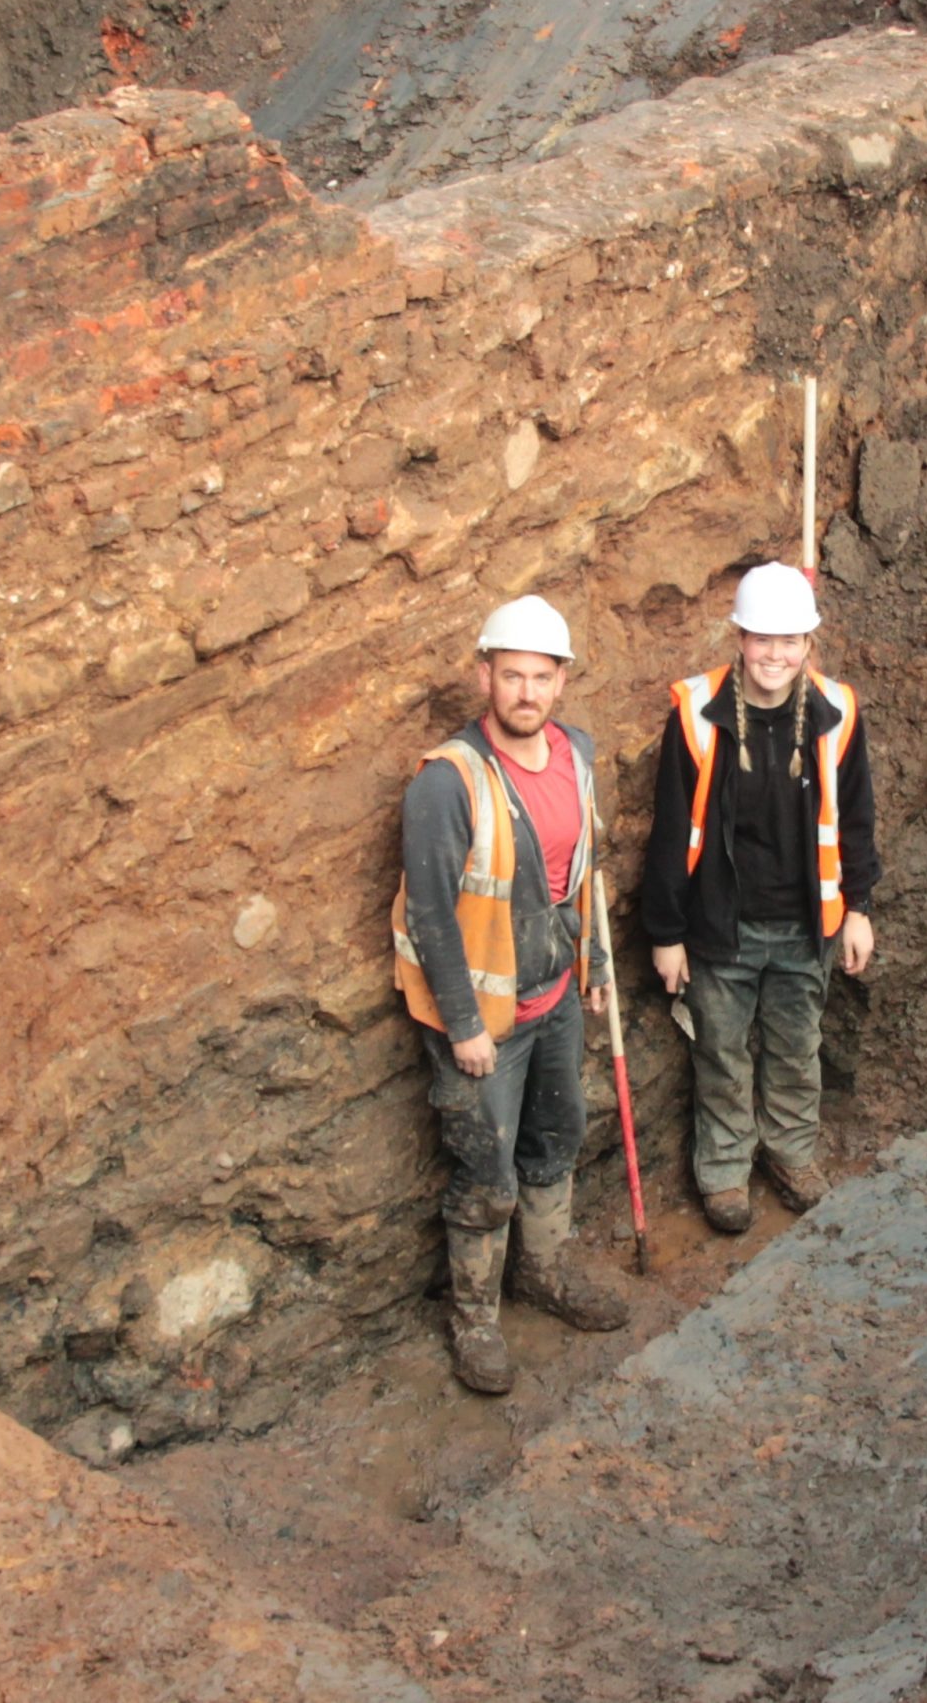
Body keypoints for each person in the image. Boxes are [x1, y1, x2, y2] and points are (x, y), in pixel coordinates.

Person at [391, 594, 628, 1394]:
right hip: (484, 1022)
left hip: (556, 995)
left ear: (561, 681)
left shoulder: (577, 755)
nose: (526, 692)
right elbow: (429, 913)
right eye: (511, 676)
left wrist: (593, 963)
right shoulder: (446, 782)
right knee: (486, 1174)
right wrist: (462, 1025)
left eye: (541, 677)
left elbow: (584, 872)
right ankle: (476, 1315)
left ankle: (544, 1270)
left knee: (555, 1140)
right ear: (485, 675)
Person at [641, 562, 880, 1234]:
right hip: (722, 924)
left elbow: (856, 816)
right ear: (739, 636)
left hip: (808, 925)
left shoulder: (836, 713)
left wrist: (857, 906)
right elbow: (669, 831)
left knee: (797, 1046)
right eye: (761, 639)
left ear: (808, 643)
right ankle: (722, 1171)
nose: (775, 655)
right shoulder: (696, 716)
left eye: (790, 641)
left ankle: (791, 1152)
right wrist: (665, 933)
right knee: (720, 1051)